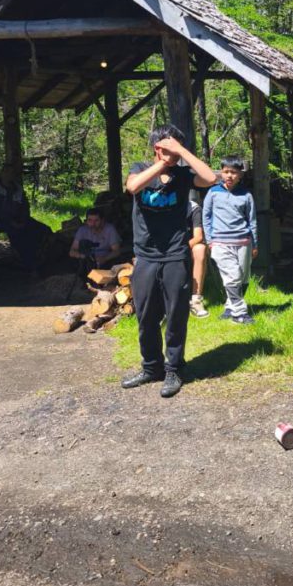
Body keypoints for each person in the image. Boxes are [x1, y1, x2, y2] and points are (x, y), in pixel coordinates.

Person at [121, 125, 217, 398]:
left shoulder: (183, 175)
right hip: (146, 255)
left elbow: (211, 178)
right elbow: (132, 187)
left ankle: (174, 368)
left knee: (176, 314)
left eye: (177, 148)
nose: (175, 154)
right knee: (146, 315)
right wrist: (162, 164)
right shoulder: (140, 169)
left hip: (176, 254)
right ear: (157, 148)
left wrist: (182, 152)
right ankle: (151, 367)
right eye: (170, 147)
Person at [202, 157, 258, 325]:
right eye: (226, 171)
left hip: (243, 242)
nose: (229, 175)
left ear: (240, 174)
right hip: (220, 242)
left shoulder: (246, 195)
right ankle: (239, 314)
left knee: (243, 278)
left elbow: (252, 221)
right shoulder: (213, 193)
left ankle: (230, 306)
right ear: (221, 173)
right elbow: (206, 217)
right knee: (232, 276)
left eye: (233, 172)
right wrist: (210, 240)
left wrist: (254, 244)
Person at [0, 162, 51, 272]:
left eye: (12, 173)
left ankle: (44, 256)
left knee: (42, 229)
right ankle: (29, 264)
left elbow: (25, 207)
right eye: (7, 172)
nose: (9, 175)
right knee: (18, 234)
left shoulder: (17, 189)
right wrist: (12, 222)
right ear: (2, 173)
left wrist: (23, 219)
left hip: (17, 219)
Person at [188, 199, 209, 318]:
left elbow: (198, 237)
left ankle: (196, 300)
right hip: (166, 248)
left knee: (200, 249)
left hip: (186, 247)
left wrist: (182, 248)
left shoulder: (194, 208)